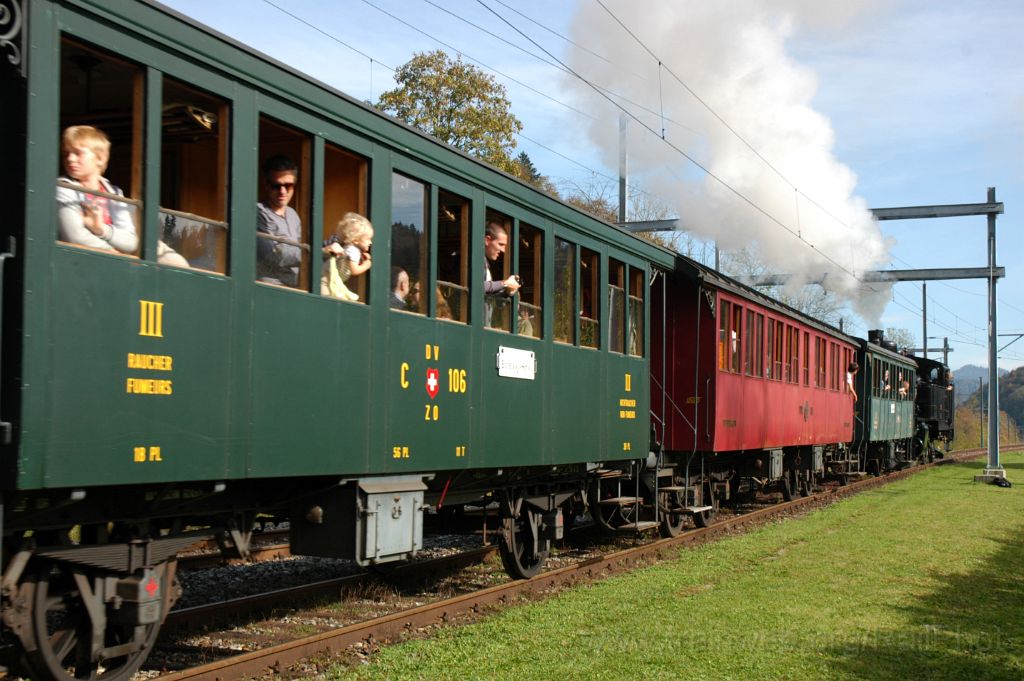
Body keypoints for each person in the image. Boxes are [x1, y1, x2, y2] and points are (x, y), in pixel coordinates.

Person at [57, 125, 189, 267]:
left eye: (78, 153)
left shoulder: (114, 192)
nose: (70, 159)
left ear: (100, 158)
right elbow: (75, 236)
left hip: (116, 254)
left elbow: (130, 241)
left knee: (176, 262)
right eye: (66, 154)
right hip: (87, 260)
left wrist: (101, 229)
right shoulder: (63, 187)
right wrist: (116, 254)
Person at [256, 155, 305, 286]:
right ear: (266, 185)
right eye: (276, 186)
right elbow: (272, 254)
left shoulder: (293, 215)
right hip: (268, 287)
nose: (282, 191)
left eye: (288, 185)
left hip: (294, 286)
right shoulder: (257, 212)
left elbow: (300, 247)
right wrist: (316, 253)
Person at [320, 212, 373, 301]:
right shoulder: (353, 250)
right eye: (368, 239)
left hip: (329, 278)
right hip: (325, 280)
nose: (370, 242)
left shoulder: (350, 248)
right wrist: (366, 265)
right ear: (355, 240)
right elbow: (354, 270)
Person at [483, 221, 520, 327]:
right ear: (487, 240)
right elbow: (477, 286)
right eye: (501, 244)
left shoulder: (485, 262)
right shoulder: (475, 258)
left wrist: (506, 292)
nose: (503, 250)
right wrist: (505, 283)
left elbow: (486, 295)